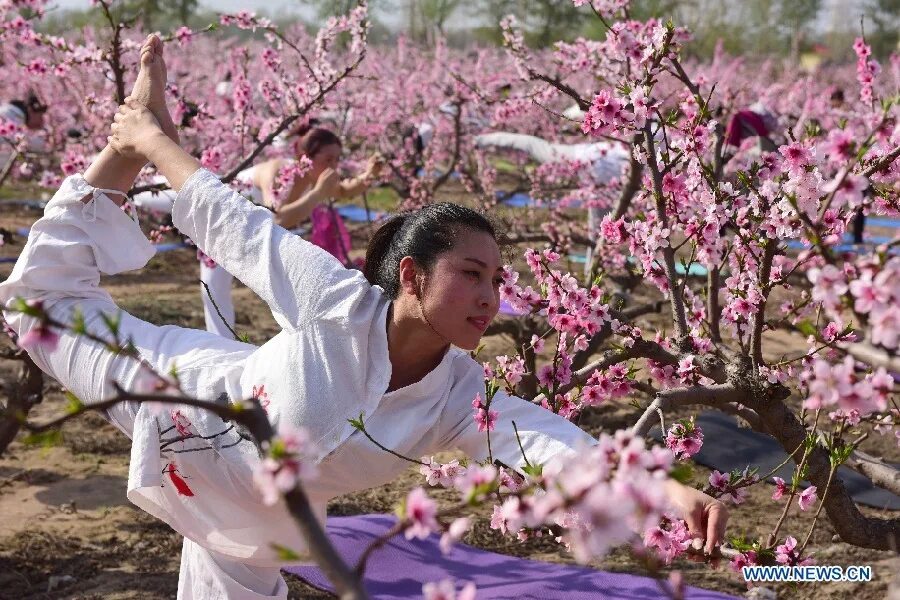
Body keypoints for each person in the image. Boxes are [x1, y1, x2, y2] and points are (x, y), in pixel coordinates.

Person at [0, 35, 728, 599]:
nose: (489, 297)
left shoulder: (454, 394)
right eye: (471, 274)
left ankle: (136, 137)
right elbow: (232, 227)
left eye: (499, 281)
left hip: (259, 515)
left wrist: (659, 488)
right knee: (41, 304)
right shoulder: (337, 302)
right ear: (411, 276)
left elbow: (548, 444)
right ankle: (128, 139)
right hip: (181, 398)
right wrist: (158, 147)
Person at [201, 124, 382, 338]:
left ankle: (224, 343)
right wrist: (317, 193)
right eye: (328, 160)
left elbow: (344, 190)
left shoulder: (316, 178)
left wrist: (371, 174)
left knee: (216, 286)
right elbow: (276, 218)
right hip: (219, 212)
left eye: (337, 159)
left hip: (245, 230)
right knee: (213, 287)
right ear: (305, 157)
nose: (333, 167)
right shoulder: (281, 172)